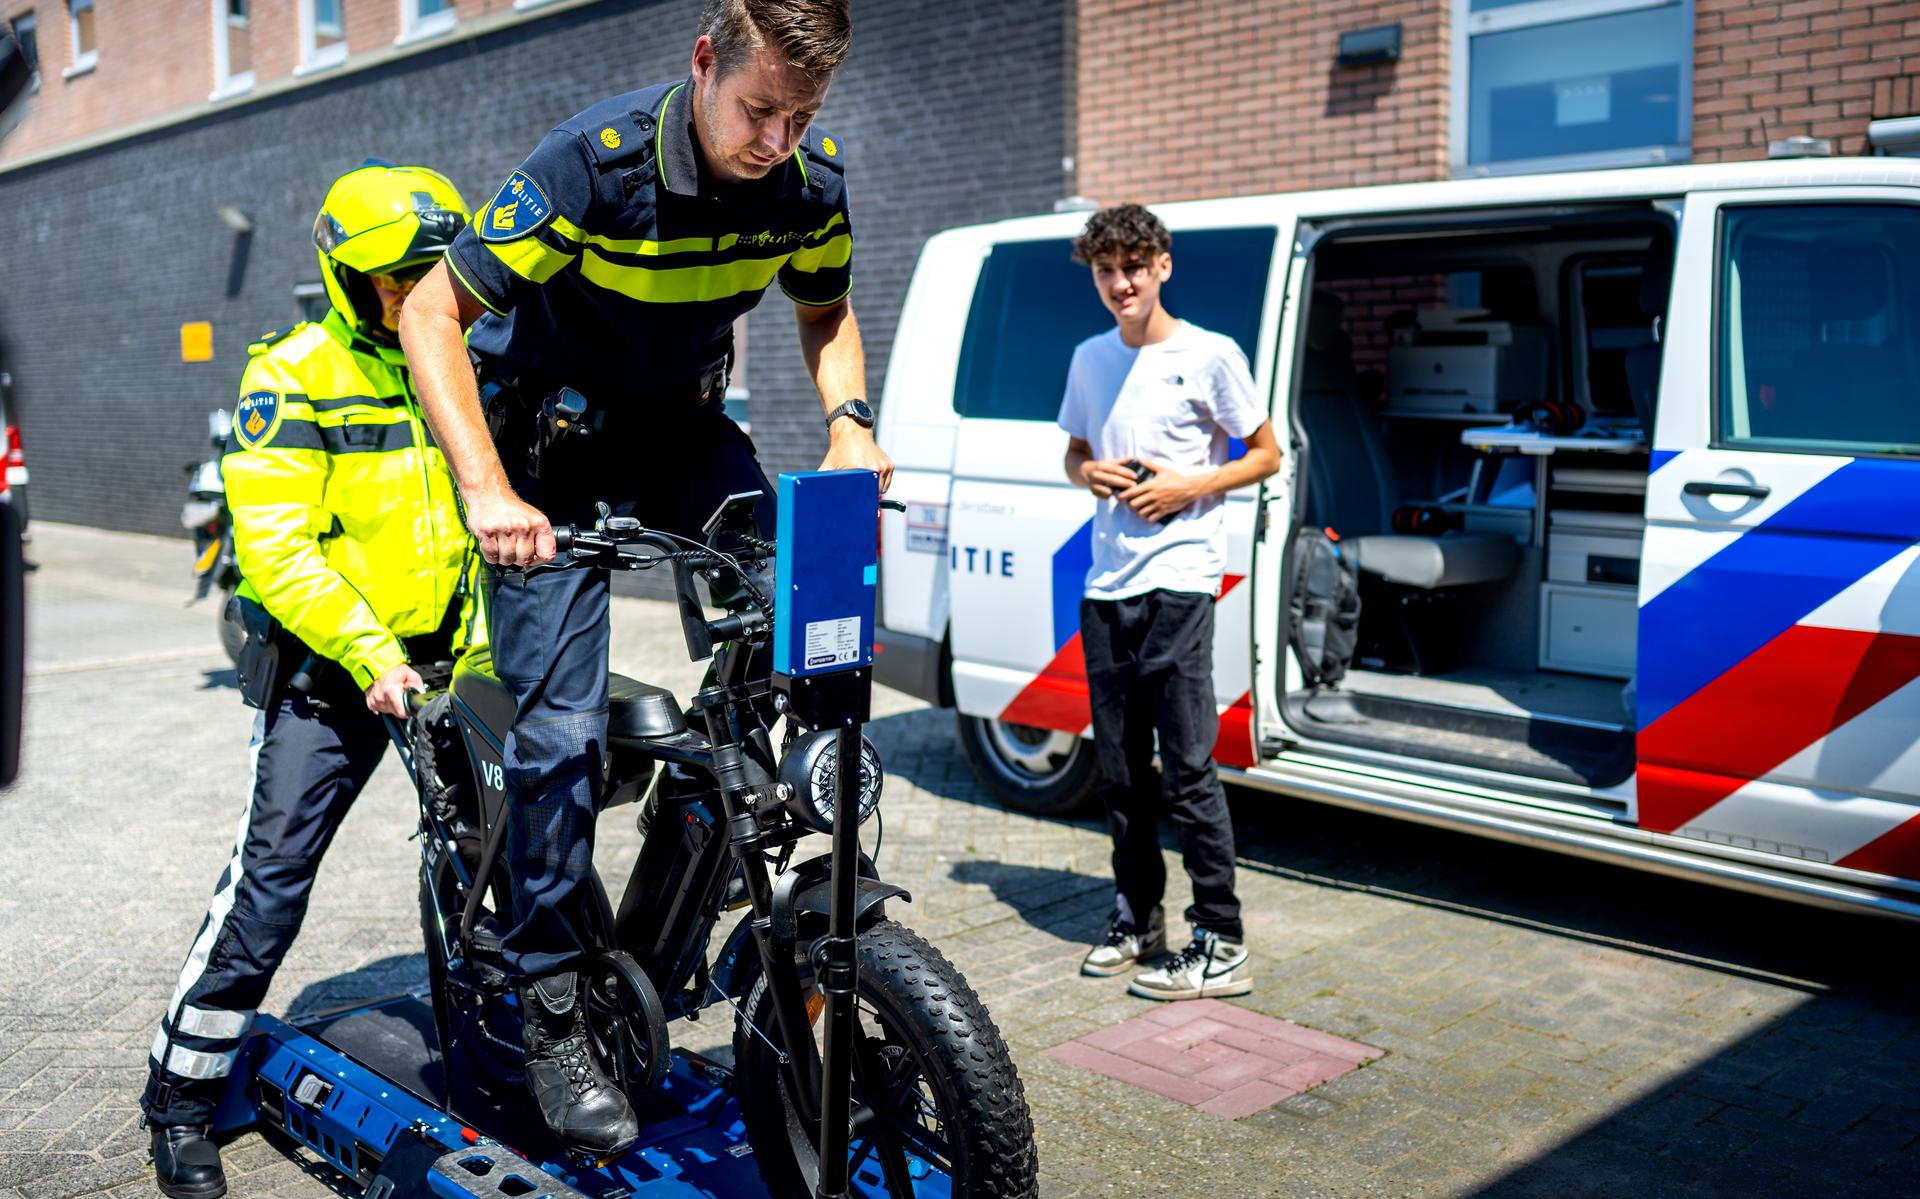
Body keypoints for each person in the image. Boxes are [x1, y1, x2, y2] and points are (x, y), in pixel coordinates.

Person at [398, 0, 888, 1155]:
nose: (776, 138)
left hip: (680, 431)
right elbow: (432, 312)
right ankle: (554, 1001)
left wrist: (851, 423)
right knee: (562, 727)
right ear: (703, 61)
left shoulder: (809, 186)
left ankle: (729, 865)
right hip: (547, 450)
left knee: (810, 616)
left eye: (801, 114)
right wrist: (487, 492)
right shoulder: (593, 164)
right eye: (759, 108)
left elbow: (826, 310)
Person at [141, 162, 481, 1199]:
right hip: (335, 672)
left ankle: (496, 1054)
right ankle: (181, 1096)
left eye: (435, 271)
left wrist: (468, 650)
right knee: (269, 886)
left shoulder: (470, 354)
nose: (417, 293)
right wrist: (374, 655)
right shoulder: (292, 374)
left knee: (494, 867)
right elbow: (281, 551)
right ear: (343, 274)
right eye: (394, 277)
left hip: (450, 662)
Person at [1058, 204, 1282, 1001]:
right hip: (1106, 582)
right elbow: (1074, 452)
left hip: (1182, 577)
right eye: (1106, 270)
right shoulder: (1090, 358)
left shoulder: (1210, 353)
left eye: (1134, 266)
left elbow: (1266, 451)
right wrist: (1093, 475)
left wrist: (1192, 483)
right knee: (1119, 771)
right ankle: (1138, 916)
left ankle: (1220, 938)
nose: (1120, 282)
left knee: (1187, 766)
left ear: (1162, 266)